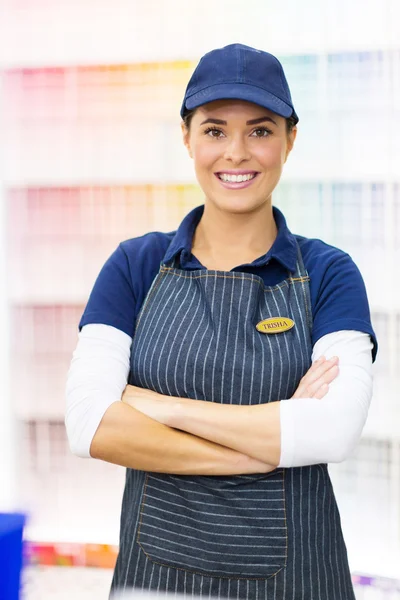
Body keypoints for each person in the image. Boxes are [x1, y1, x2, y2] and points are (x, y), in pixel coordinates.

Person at [65, 43, 377, 599]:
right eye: (214, 130)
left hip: (298, 581)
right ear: (186, 137)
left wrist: (159, 407)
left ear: (290, 140)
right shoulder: (135, 266)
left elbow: (332, 428)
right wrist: (265, 445)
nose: (237, 152)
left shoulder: (329, 273)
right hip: (154, 580)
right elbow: (89, 423)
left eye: (260, 130)